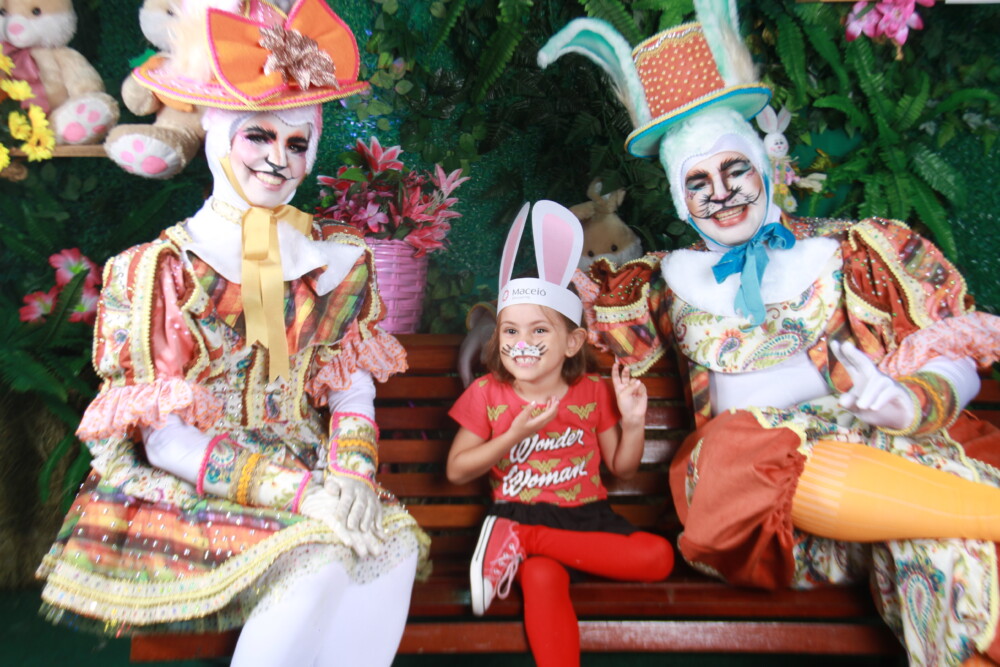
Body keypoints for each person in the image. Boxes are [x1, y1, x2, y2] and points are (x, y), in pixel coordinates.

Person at [538, 2, 1000, 665]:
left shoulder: (851, 250)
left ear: (764, 168)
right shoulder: (661, 284)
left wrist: (908, 400)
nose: (722, 192)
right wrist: (491, 325)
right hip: (767, 517)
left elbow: (954, 347)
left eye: (735, 169)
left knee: (948, 554)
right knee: (733, 446)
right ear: (680, 199)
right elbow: (555, 327)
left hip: (883, 488)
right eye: (698, 182)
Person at [35, 2, 428, 665]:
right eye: (258, 137)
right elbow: (165, 440)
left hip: (309, 468)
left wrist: (352, 476)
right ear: (217, 136)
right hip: (198, 485)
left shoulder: (332, 260)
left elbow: (351, 387)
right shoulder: (162, 270)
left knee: (392, 550)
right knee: (317, 559)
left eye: (297, 143)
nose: (278, 159)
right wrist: (304, 495)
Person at [446, 201, 674, 667]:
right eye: (510, 331)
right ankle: (520, 539)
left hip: (585, 520)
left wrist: (633, 421)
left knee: (658, 558)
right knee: (541, 579)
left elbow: (622, 467)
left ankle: (523, 540)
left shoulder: (592, 391)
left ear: (572, 342)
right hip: (517, 511)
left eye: (539, 331)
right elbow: (456, 470)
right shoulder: (487, 394)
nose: (522, 344)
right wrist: (512, 435)